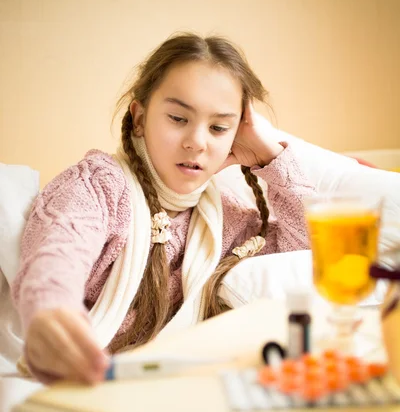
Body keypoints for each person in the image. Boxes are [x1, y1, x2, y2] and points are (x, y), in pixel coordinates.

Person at [11, 32, 316, 385]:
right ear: (139, 118)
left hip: (178, 386)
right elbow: (56, 258)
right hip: (88, 381)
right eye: (178, 118)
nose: (197, 142)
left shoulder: (225, 219)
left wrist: (270, 157)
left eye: (219, 127)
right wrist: (52, 315)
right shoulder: (97, 186)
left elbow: (311, 249)